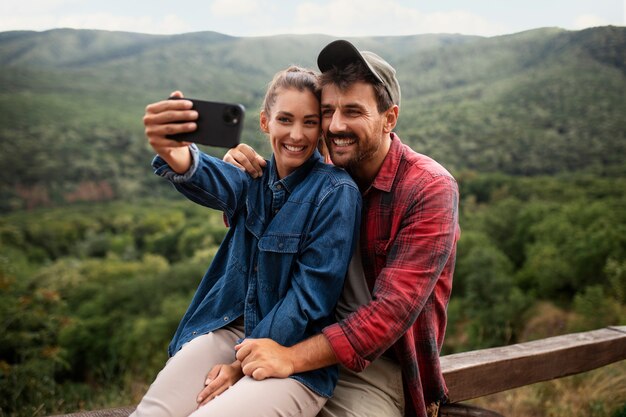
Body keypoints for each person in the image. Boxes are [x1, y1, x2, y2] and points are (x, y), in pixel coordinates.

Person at [223, 40, 460, 417]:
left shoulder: (428, 188)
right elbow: (259, 239)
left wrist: (289, 357)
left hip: (373, 365)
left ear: (390, 117)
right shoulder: (322, 173)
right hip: (298, 335)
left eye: (353, 111)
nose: (336, 126)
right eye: (328, 111)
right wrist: (246, 182)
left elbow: (390, 313)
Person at [135, 65, 362, 417]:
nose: (297, 135)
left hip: (294, 355)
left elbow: (308, 300)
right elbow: (213, 178)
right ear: (264, 122)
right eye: (285, 119)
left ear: (322, 128)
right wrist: (176, 154)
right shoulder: (253, 177)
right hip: (230, 328)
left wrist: (238, 366)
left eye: (310, 122)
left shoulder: (335, 192)